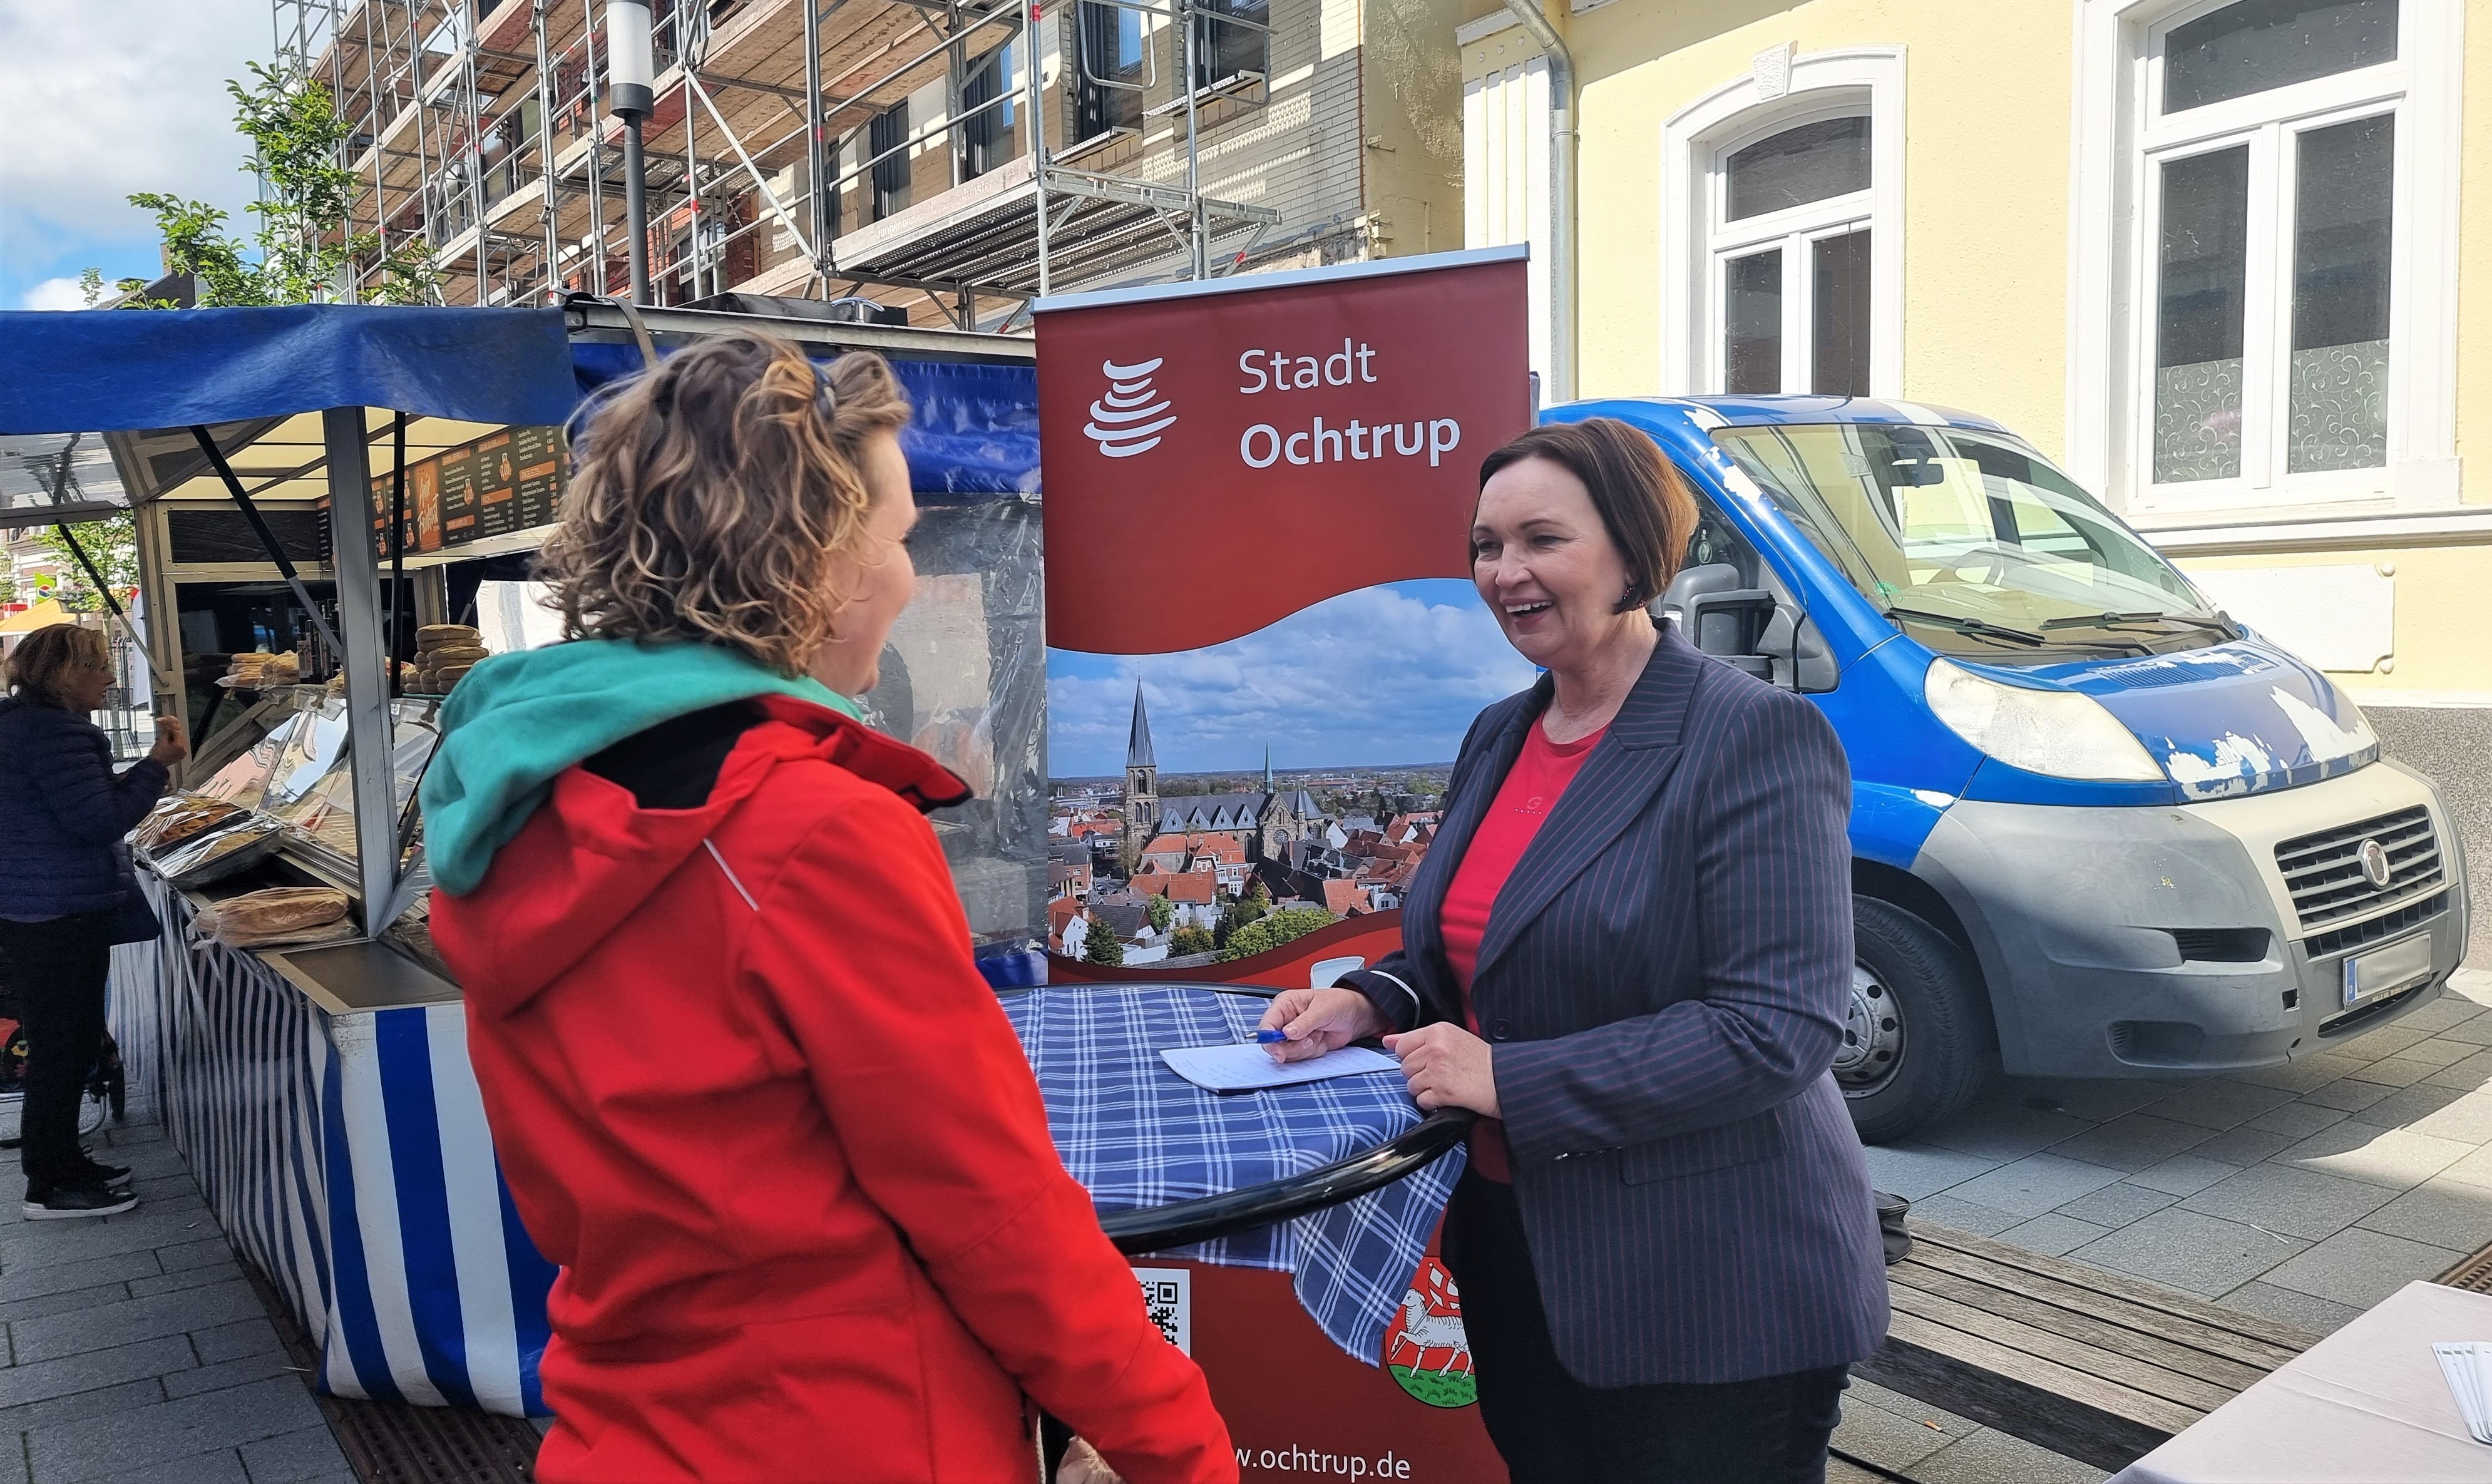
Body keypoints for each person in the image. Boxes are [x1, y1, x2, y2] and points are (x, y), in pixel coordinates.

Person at [424, 335, 1233, 1484]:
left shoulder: (528, 804)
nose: (908, 579)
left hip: (630, 1423)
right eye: (899, 540)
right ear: (810, 558)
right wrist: (1179, 1443)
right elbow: (993, 1216)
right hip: (853, 1425)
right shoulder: (813, 830)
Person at [1261, 419, 1889, 1483]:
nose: (1504, 572)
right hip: (1520, 1249)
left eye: (1540, 538)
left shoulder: (1750, 734)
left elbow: (1777, 1027)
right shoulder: (1499, 733)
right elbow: (1474, 949)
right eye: (1483, 545)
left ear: (1635, 551)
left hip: (1707, 1277)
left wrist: (1508, 1075)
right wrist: (1371, 997)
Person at [0, 622, 184, 1219]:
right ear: (63, 675)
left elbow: (82, 805)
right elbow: (97, 822)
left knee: (66, 1039)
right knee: (61, 1047)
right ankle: (49, 1185)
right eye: (98, 666)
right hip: (59, 912)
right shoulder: (55, 732)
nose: (109, 677)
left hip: (35, 906)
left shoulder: (22, 724)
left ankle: (64, 1162)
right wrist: (158, 763)